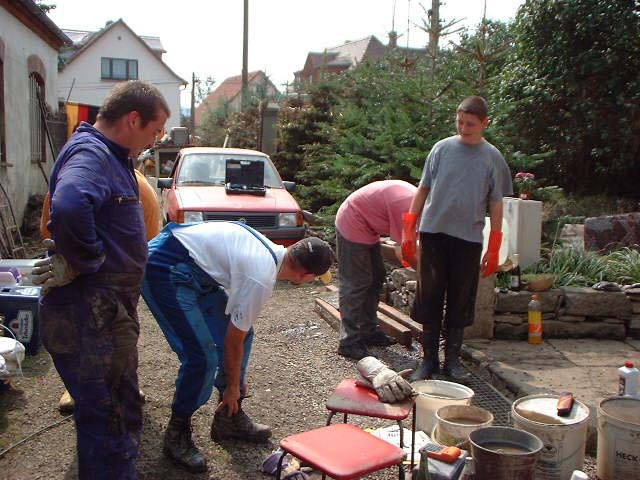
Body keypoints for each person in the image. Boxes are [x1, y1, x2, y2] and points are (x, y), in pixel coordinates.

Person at [31, 80, 170, 479]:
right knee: (109, 419)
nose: (156, 141)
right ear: (133, 119)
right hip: (91, 311)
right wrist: (86, 260)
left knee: (119, 409)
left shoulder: (111, 155)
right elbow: (70, 204)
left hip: (104, 310)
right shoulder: (92, 154)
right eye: (155, 130)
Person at [141, 221, 334, 473]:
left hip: (194, 267)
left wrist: (234, 386)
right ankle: (176, 433)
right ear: (305, 276)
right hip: (164, 266)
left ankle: (228, 417)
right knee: (202, 358)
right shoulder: (260, 277)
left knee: (246, 334)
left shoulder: (269, 253)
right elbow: (232, 340)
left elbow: (238, 334)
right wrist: (233, 385)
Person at [403, 96, 512, 381]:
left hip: (468, 238)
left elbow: (496, 203)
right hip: (433, 233)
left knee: (461, 299)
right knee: (429, 296)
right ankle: (428, 361)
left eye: (470, 124)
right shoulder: (441, 149)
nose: (463, 129)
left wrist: (495, 244)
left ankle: (453, 361)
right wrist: (409, 228)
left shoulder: (492, 158)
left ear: (485, 123)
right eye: (459, 122)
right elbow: (423, 188)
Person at [39, 166, 162, 413]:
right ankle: (78, 387)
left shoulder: (138, 189)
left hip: (120, 270)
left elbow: (146, 241)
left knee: (122, 328)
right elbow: (48, 230)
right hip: (72, 264)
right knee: (75, 328)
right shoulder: (69, 183)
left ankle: (125, 383)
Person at [334, 180, 417, 360]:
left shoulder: (419, 204)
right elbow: (403, 250)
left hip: (367, 226)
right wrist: (422, 273)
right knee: (356, 282)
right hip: (352, 221)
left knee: (376, 277)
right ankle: (348, 342)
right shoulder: (406, 206)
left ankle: (368, 330)